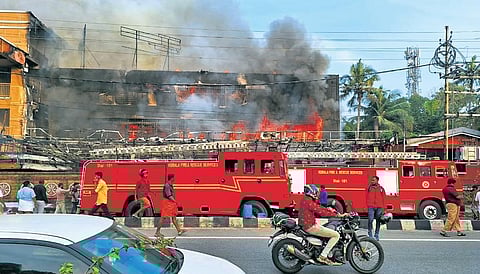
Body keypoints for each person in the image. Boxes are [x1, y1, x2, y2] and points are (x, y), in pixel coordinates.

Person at [298, 184, 348, 266]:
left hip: (309, 224)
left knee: (326, 230)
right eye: (316, 192)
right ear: (312, 192)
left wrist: (332, 211)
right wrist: (337, 215)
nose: (317, 194)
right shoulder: (308, 201)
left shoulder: (306, 199)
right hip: (310, 226)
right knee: (336, 235)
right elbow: (320, 211)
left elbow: (319, 207)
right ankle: (323, 256)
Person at [366, 175, 386, 241]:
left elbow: (384, 198)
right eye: (372, 180)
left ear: (377, 180)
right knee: (370, 219)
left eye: (373, 180)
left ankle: (376, 234)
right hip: (371, 206)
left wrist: (384, 208)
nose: (372, 181)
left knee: (378, 221)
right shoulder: (369, 188)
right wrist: (367, 205)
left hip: (379, 207)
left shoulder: (381, 189)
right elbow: (365, 196)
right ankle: (370, 233)